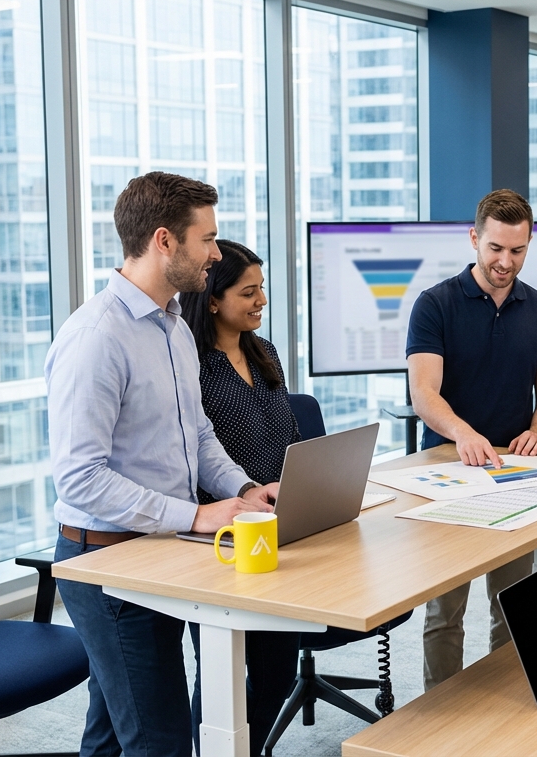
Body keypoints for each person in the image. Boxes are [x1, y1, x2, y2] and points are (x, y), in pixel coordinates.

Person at [47, 172, 279, 756]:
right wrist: (194, 517)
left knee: (113, 730)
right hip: (106, 560)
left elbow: (195, 433)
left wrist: (244, 488)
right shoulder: (97, 338)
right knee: (162, 741)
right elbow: (80, 477)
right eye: (208, 239)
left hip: (156, 550)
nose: (217, 254)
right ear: (164, 241)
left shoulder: (174, 325)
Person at [406, 189, 537, 690]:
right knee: (446, 610)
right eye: (496, 248)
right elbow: (424, 393)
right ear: (474, 239)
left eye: (517, 251)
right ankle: (440, 713)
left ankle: (501, 708)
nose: (505, 261)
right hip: (449, 470)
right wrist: (464, 433)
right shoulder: (435, 304)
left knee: (512, 603)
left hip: (515, 474)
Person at [179, 240, 300, 757]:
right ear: (212, 299)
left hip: (278, 519)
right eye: (248, 292)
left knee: (277, 670)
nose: (261, 301)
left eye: (262, 289)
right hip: (221, 536)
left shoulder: (262, 350)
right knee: (221, 670)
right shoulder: (191, 363)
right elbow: (198, 451)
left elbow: (288, 435)